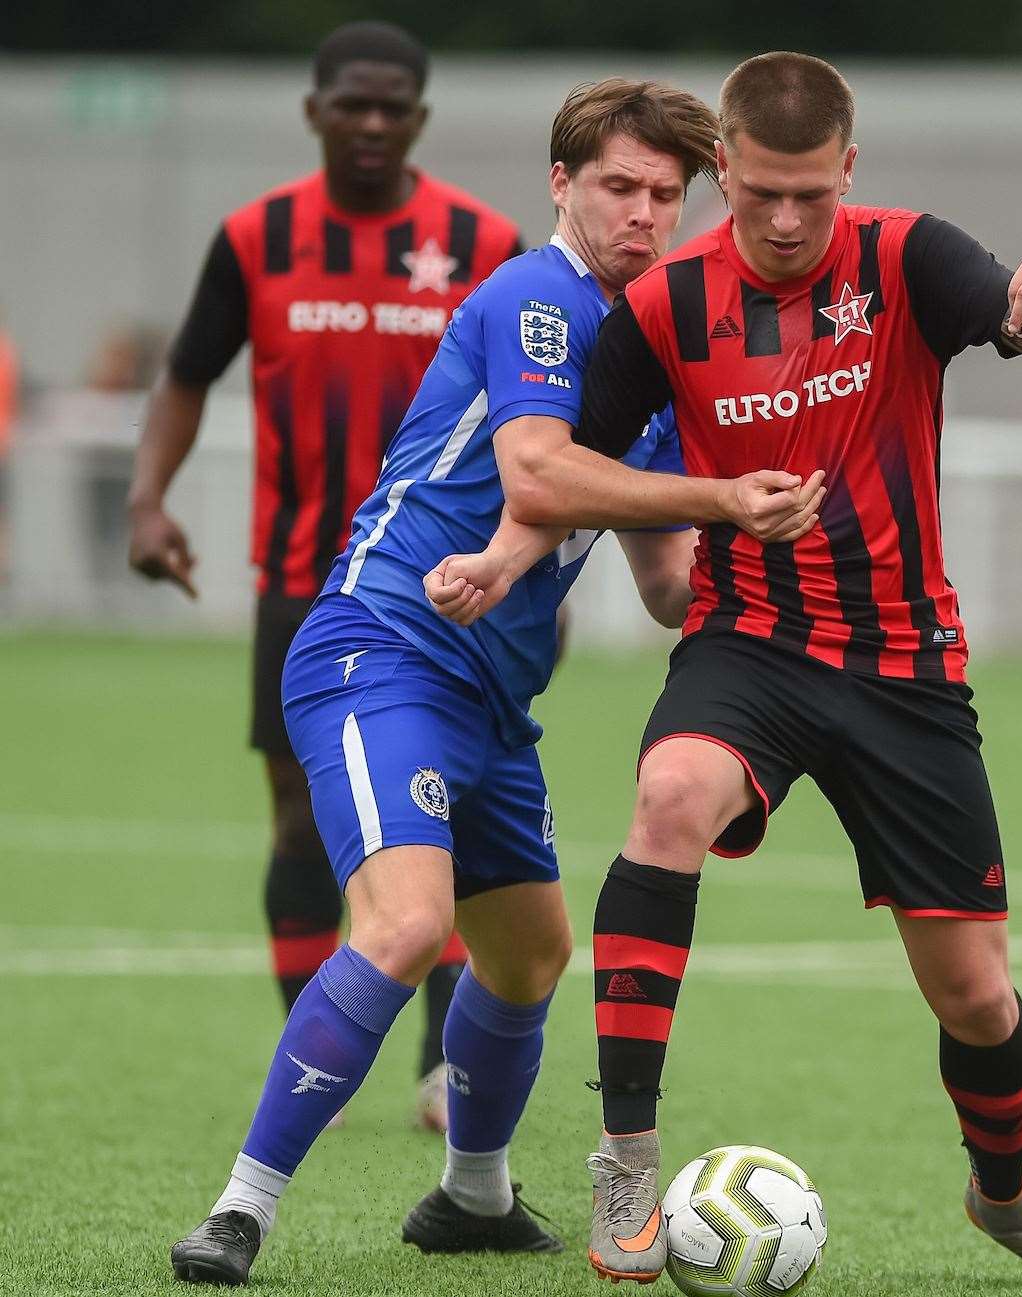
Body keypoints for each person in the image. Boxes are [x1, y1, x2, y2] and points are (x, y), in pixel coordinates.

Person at [432, 50, 1022, 1290]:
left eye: (807, 196)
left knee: (976, 995)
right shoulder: (661, 305)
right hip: (747, 645)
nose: (779, 220)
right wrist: (502, 556)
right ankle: (626, 1161)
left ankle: (1009, 1197)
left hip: (904, 665)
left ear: (847, 174)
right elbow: (574, 462)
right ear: (724, 170)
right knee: (666, 802)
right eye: (756, 191)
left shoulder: (910, 257)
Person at [168, 76, 822, 1287]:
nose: (641, 213)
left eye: (664, 196)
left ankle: (472, 1197)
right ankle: (240, 1209)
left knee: (527, 955)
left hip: (490, 701)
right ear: (562, 186)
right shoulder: (537, 295)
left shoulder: (652, 364)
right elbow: (533, 475)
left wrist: (771, 533)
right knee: (410, 927)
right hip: (381, 649)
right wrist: (720, 494)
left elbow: (671, 587)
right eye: (618, 186)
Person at [126, 21, 521, 1131]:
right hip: (301, 576)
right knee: (300, 822)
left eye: (395, 106)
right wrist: (147, 499)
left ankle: (444, 1070)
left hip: (447, 580)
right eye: (353, 103)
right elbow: (187, 374)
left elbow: (541, 402)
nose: (373, 123)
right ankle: (320, 1041)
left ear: (420, 120)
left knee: (440, 810)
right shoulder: (257, 239)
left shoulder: (482, 240)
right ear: (314, 111)